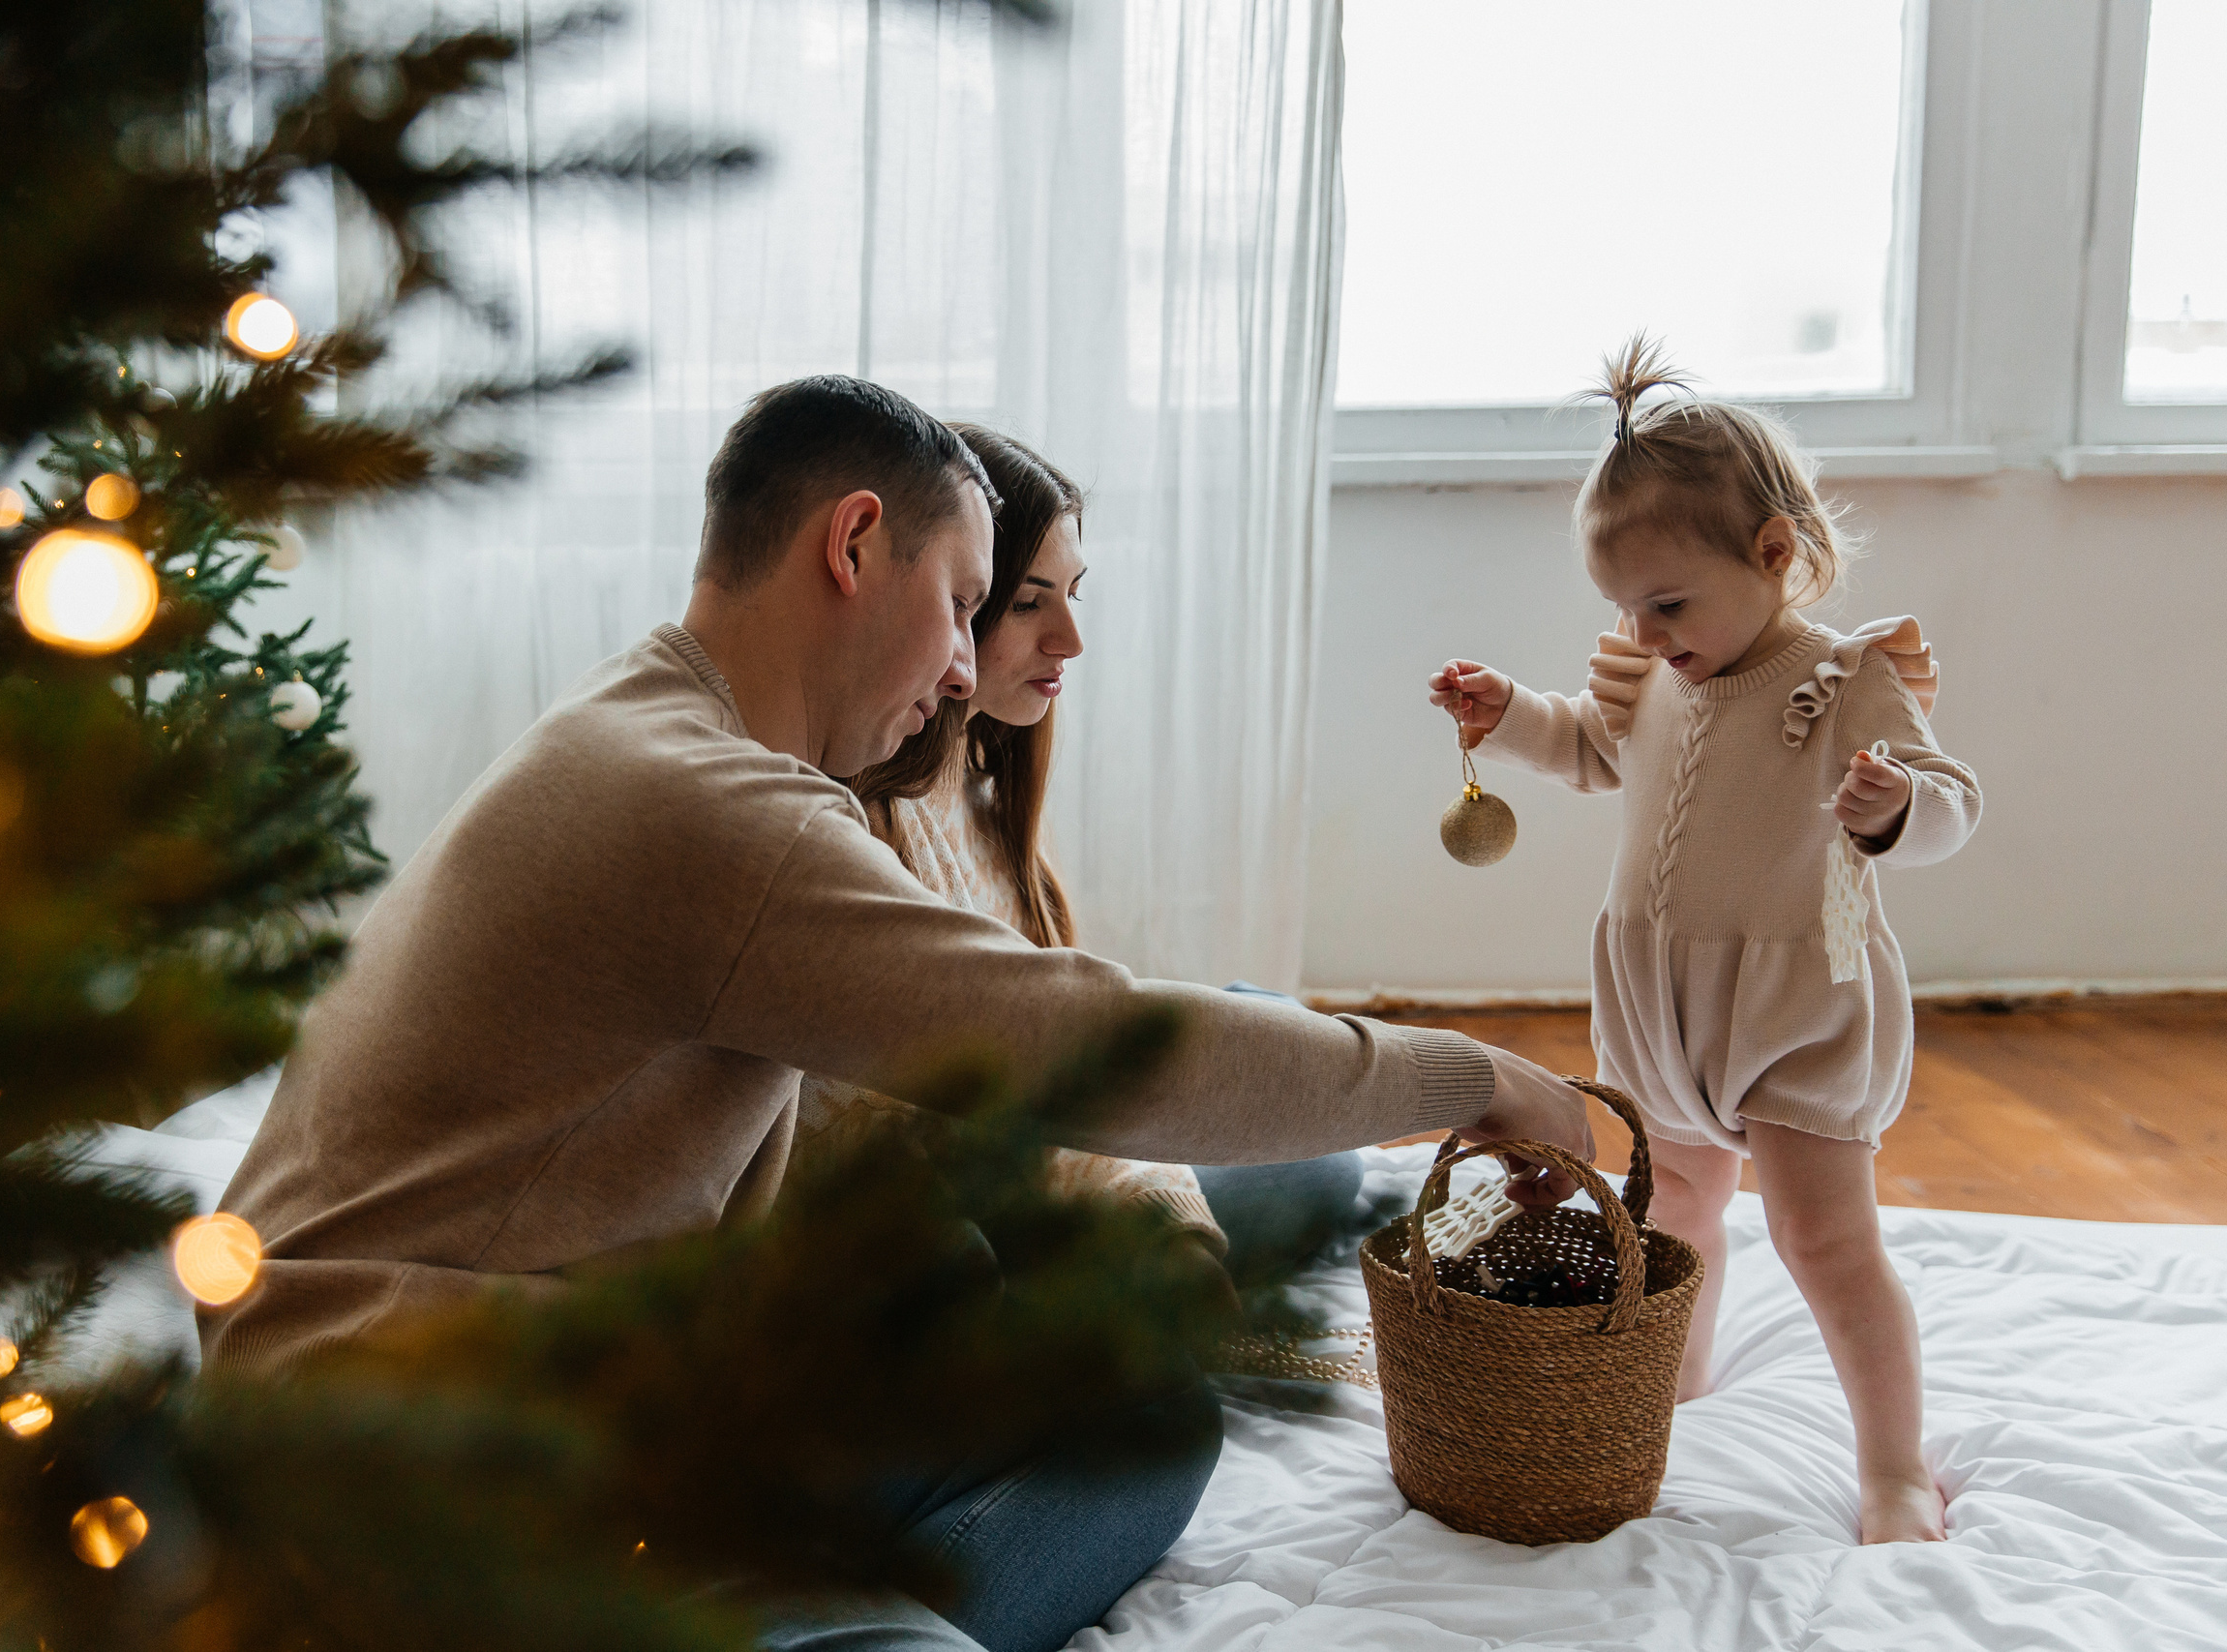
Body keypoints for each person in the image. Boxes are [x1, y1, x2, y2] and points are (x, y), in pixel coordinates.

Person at [206, 375, 1596, 1645]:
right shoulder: (713, 810)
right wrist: (1467, 1075)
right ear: (854, 542)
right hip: (423, 1451)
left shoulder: (645, 721)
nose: (957, 672)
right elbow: (1093, 1050)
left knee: (1125, 1405)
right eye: (962, 603)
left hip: (513, 1383)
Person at [1429, 337, 1982, 1546]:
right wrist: (1509, 715)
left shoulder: (1842, 679)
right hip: (1656, 1001)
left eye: (1667, 601)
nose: (1644, 627)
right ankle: (1670, 1383)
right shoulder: (1660, 672)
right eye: (1624, 605)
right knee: (1673, 1200)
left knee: (1823, 1237)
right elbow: (1590, 749)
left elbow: (1950, 802)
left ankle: (1893, 1467)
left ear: (1773, 554)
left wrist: (1896, 810)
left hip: (1794, 1002)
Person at [816, 424, 1365, 1296]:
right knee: (1310, 1141)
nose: (1070, 637)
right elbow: (996, 1101)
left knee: (1275, 1038)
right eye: (1030, 602)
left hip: (1050, 1155)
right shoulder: (856, 822)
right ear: (957, 598)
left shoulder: (980, 777)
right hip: (983, 1214)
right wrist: (1157, 1212)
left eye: (1074, 594)